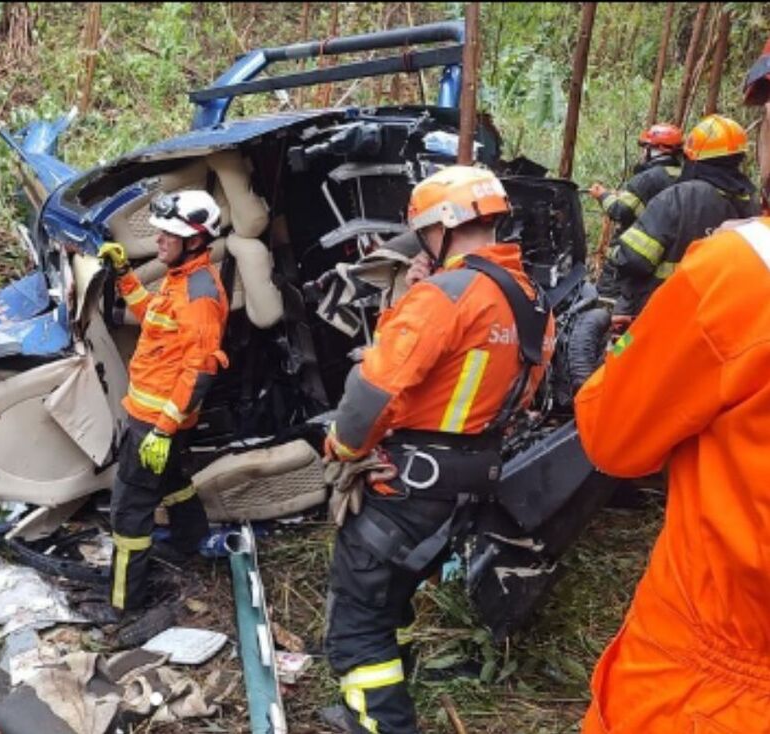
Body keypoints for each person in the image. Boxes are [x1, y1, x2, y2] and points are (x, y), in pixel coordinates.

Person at [576, 39, 770, 734]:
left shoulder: (741, 266)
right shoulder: (737, 198)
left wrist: (612, 325)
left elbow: (613, 435)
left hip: (715, 684)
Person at [320, 166, 554, 734]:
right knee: (391, 599)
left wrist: (343, 450)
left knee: (356, 618)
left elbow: (373, 390)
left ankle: (381, 719)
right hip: (467, 481)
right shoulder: (529, 299)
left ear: (443, 226)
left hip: (409, 485)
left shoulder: (443, 297)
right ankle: (371, 706)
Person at [97, 190, 228, 615]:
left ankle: (123, 604)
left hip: (154, 423)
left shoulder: (200, 293)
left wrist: (162, 429)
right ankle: (193, 545)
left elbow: (201, 367)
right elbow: (153, 317)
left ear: (194, 240)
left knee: (129, 512)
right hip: (154, 419)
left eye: (168, 235)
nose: (158, 240)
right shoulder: (181, 279)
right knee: (173, 484)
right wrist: (124, 276)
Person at [605, 114, 759, 320]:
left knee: (622, 347)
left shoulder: (677, 198)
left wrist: (614, 253)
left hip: (658, 315)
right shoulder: (752, 205)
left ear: (692, 158)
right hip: (720, 320)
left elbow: (633, 259)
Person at [589, 122, 684, 233]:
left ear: (657, 150)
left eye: (646, 147)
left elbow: (620, 211)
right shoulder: (685, 175)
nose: (643, 152)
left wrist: (602, 195)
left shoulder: (647, 178)